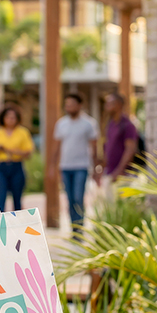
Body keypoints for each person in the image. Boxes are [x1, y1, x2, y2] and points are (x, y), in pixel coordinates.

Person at [51, 94, 98, 232]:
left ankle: (80, 227)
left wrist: (96, 168)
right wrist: (52, 166)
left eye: (71, 104)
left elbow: (94, 147)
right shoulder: (61, 124)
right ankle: (74, 228)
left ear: (79, 105)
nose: (68, 107)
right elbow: (56, 147)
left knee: (78, 197)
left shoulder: (89, 123)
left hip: (82, 166)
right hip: (65, 167)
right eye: (67, 104)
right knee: (70, 199)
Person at [0, 105, 34, 212]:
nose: (10, 120)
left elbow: (28, 152)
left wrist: (9, 150)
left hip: (16, 166)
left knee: (17, 199)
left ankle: (16, 224)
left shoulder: (22, 132)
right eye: (8, 117)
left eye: (13, 117)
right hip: (2, 167)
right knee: (1, 197)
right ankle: (1, 224)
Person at [99, 91, 139, 194]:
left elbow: (130, 150)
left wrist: (119, 171)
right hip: (110, 172)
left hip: (124, 175)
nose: (106, 106)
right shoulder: (111, 124)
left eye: (110, 103)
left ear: (118, 105)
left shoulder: (127, 125)